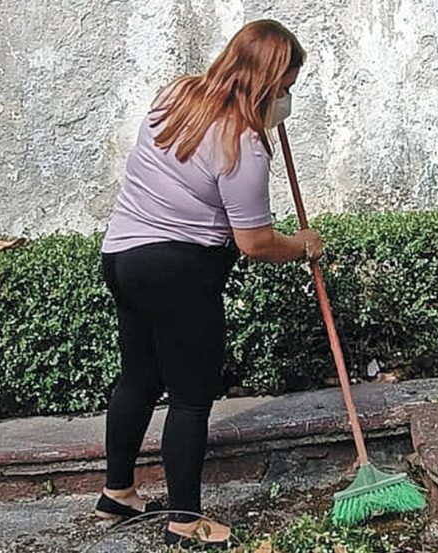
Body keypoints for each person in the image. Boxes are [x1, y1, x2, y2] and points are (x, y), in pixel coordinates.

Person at [94, 19, 322, 548]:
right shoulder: (242, 146)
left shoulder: (175, 94)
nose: (287, 99)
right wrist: (304, 244)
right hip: (177, 272)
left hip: (123, 258)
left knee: (139, 380)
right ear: (264, 82)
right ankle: (184, 521)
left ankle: (118, 493)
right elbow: (255, 243)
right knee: (191, 398)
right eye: (285, 88)